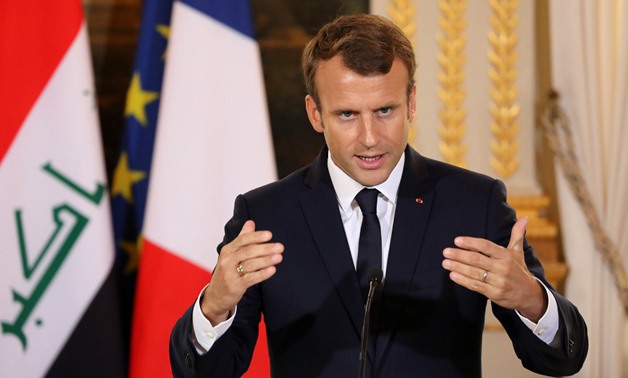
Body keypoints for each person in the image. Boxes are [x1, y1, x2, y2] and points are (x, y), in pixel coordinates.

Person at [169, 14, 588, 377]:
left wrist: (532, 300)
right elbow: (207, 372)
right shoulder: (265, 215)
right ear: (316, 114)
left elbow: (561, 360)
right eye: (347, 114)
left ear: (411, 103)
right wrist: (214, 307)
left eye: (384, 111)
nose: (370, 139)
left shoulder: (472, 204)